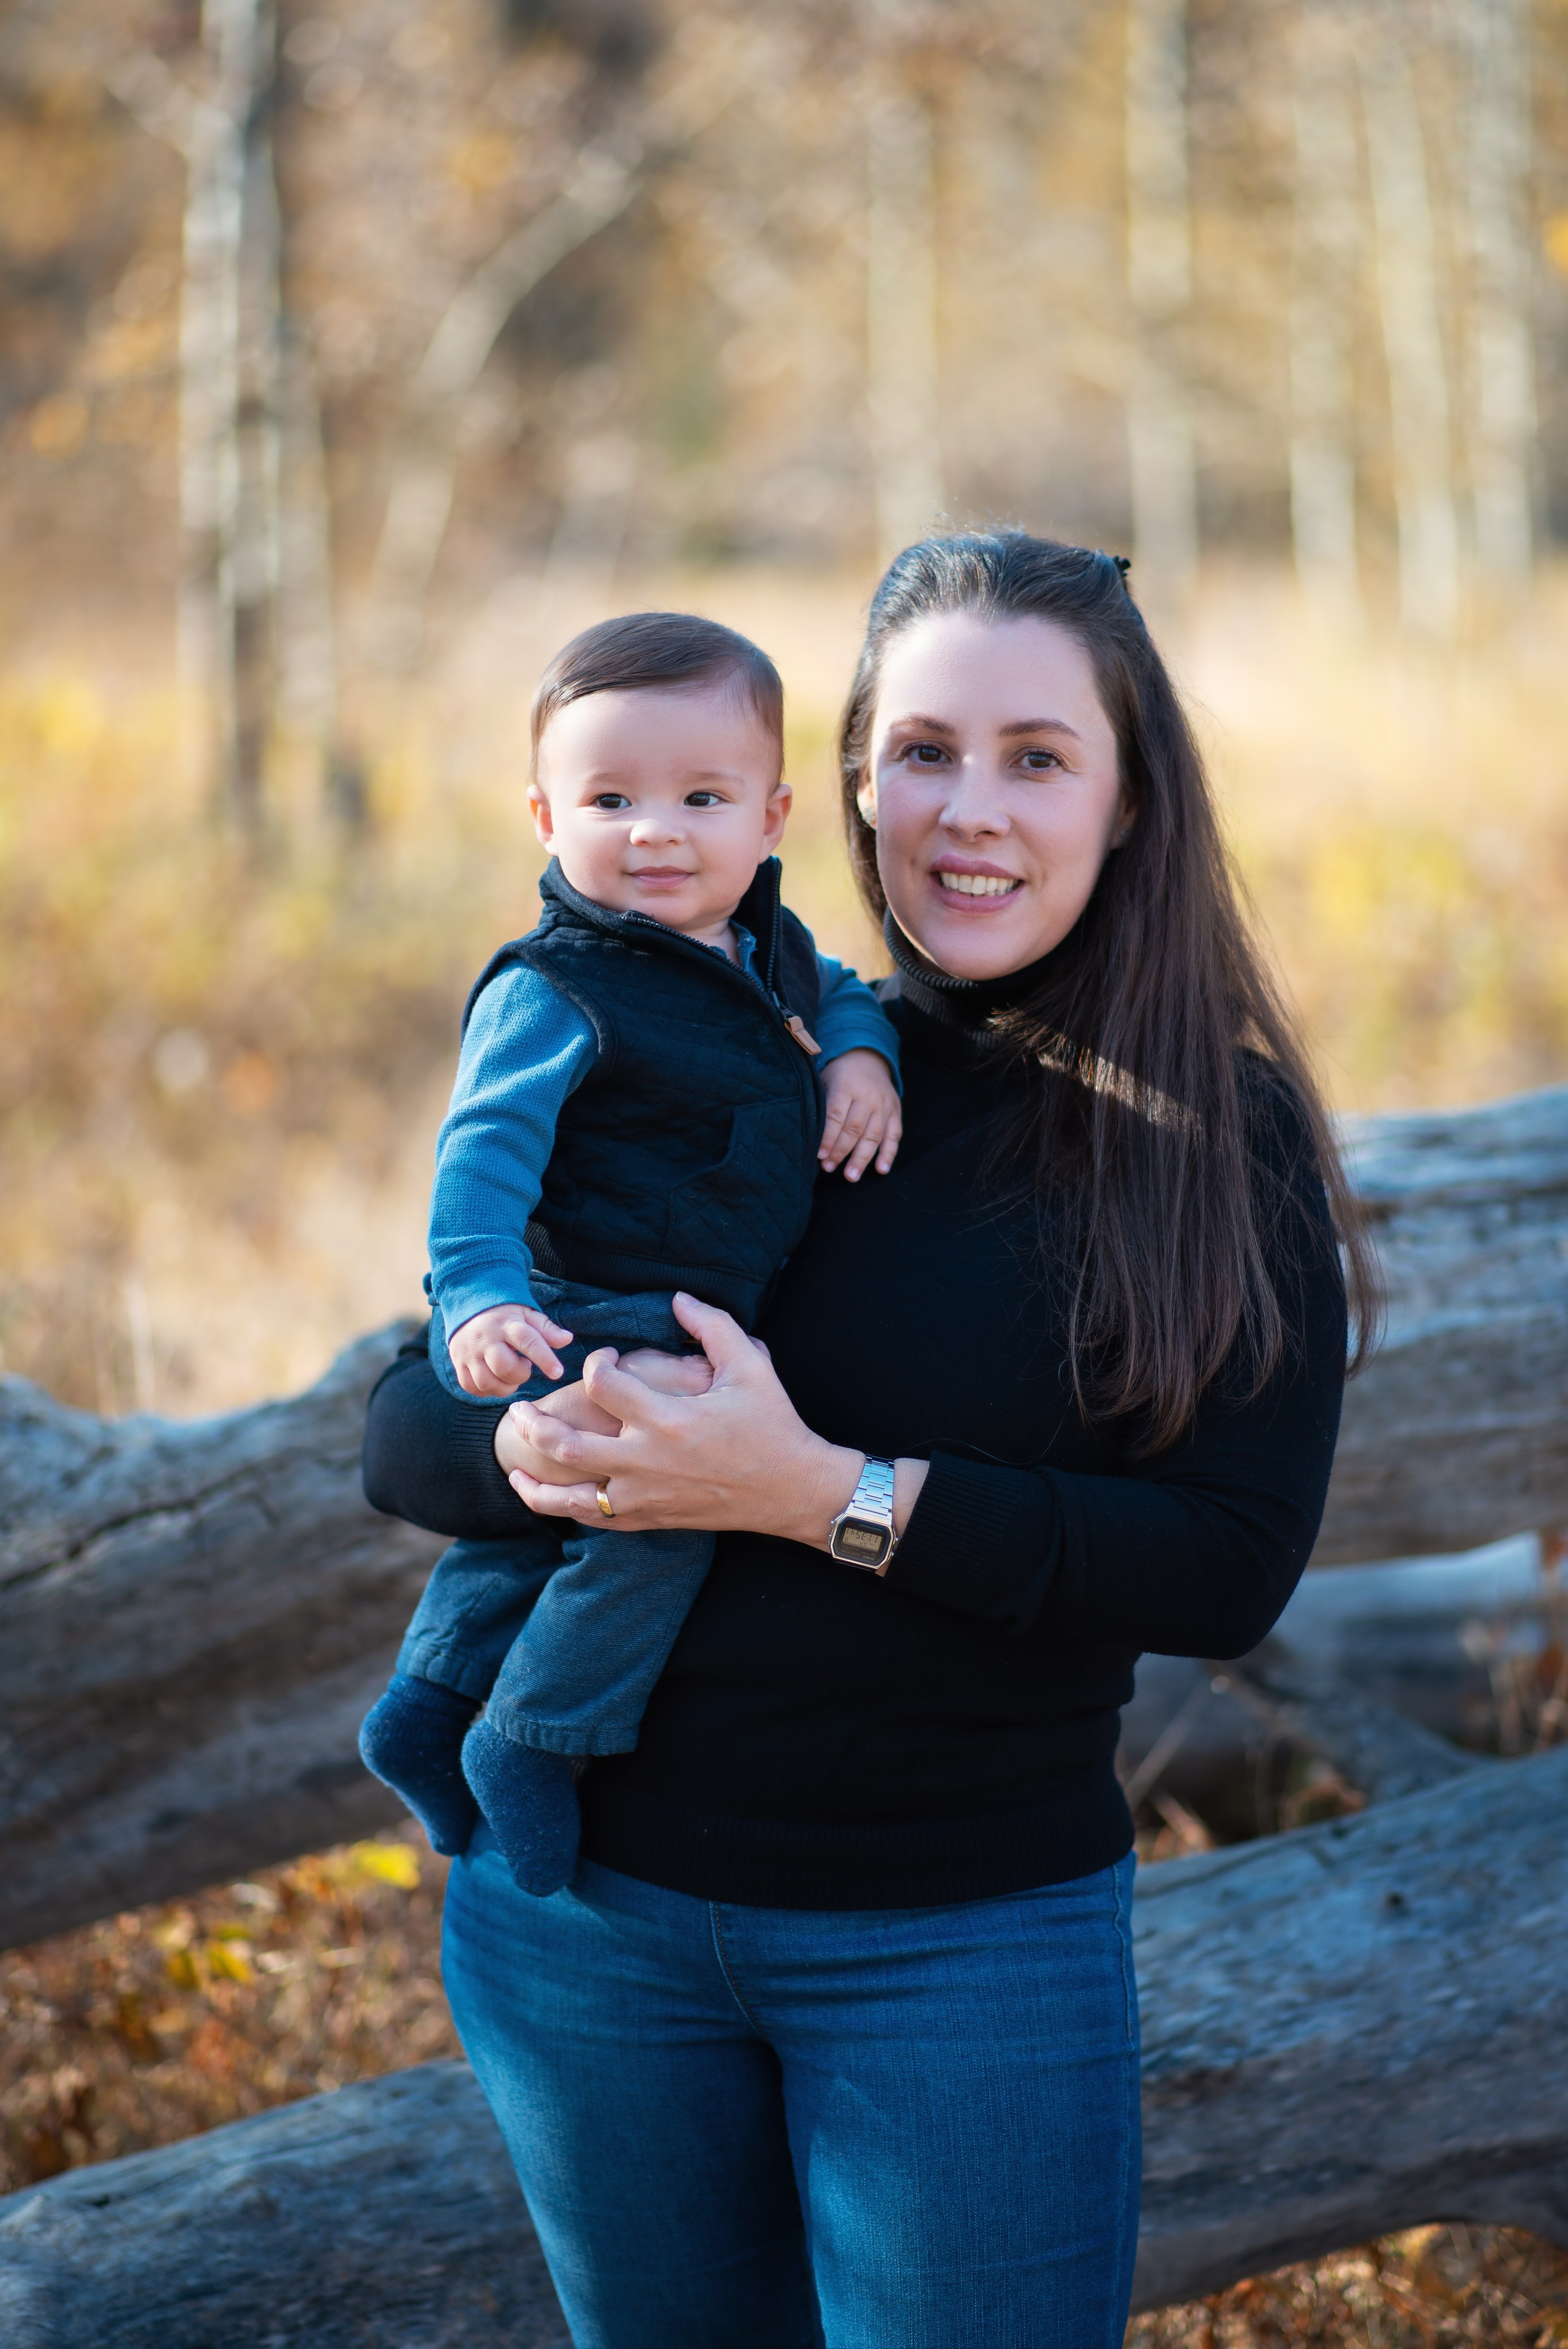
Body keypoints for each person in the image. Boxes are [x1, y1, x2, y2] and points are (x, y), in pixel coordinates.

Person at [362, 532, 1378, 2349]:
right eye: (922, 750)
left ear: (1134, 796)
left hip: (958, 1946)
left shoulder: (1207, 1134)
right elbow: (401, 1436)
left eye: (1036, 756)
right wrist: (544, 1448)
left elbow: (1227, 1558)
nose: (966, 812)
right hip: (587, 1924)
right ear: (837, 784)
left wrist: (819, 1498)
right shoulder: (731, 1046)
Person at [359, 612, 901, 1898]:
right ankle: (534, 1740)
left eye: (699, 797)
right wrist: (480, 1300)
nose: (656, 829)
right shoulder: (556, 986)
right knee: (652, 1524)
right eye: (611, 797)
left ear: (770, 817)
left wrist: (861, 1057)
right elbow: (479, 1159)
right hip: (581, 1308)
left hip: (673, 1304)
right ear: (545, 819)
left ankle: (425, 1706)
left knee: (530, 1542)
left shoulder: (765, 944)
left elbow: (837, 989)